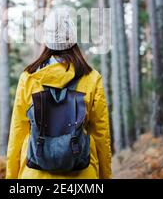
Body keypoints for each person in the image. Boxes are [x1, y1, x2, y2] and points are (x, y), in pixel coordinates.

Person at [6, 9, 112, 179]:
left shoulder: (29, 78)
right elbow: (101, 134)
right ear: (73, 40)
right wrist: (106, 176)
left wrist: (11, 176)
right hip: (82, 175)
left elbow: (17, 133)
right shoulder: (92, 78)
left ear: (46, 41)